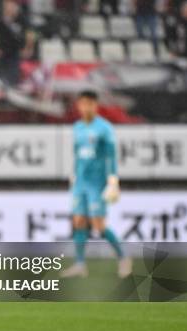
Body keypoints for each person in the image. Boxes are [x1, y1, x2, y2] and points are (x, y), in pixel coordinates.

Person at [61, 90, 132, 279]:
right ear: (78, 105)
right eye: (82, 103)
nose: (86, 107)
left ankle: (123, 258)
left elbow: (111, 155)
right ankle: (80, 264)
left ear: (95, 105)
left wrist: (113, 180)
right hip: (81, 182)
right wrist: (74, 174)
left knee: (99, 226)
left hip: (97, 183)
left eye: (89, 103)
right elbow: (77, 153)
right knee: (78, 222)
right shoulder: (77, 127)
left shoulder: (104, 128)